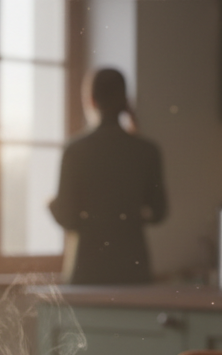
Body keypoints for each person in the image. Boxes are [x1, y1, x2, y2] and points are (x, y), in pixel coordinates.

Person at [49, 68, 167, 284]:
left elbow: (67, 217)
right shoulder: (147, 151)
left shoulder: (75, 150)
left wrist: (51, 206)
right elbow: (159, 212)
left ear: (90, 100)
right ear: (125, 100)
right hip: (133, 268)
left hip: (88, 268)